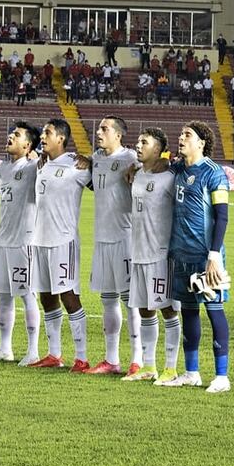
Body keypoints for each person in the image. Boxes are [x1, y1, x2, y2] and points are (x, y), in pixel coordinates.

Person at [157, 122, 232, 393]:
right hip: (181, 253)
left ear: (201, 143)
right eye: (180, 134)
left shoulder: (214, 173)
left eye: (187, 135)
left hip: (205, 256)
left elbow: (222, 216)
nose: (181, 138)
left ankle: (222, 376)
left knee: (214, 310)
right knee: (189, 311)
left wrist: (214, 255)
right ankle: (192, 373)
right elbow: (156, 163)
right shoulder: (177, 168)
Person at [28, 119, 92, 370]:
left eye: (48, 133)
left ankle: (82, 357)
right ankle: (54, 354)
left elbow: (101, 181)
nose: (43, 136)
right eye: (43, 132)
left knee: (68, 295)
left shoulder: (77, 165)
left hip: (63, 240)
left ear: (61, 138)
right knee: (46, 296)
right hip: (40, 240)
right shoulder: (41, 164)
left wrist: (92, 161)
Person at [122, 128, 182, 383]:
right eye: (138, 141)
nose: (138, 145)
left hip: (161, 255)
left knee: (167, 309)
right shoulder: (136, 174)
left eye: (144, 142)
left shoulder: (170, 177)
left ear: (157, 150)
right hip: (137, 253)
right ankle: (149, 366)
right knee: (145, 309)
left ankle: (171, 368)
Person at [86, 117, 142, 376]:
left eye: (104, 129)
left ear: (118, 135)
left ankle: (138, 359)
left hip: (124, 238)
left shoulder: (131, 157)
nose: (99, 132)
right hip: (102, 239)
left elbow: (154, 167)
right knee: (107, 300)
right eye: (99, 128)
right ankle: (111, 359)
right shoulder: (96, 158)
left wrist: (139, 170)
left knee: (131, 302)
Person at [0, 122, 42, 365]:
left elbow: (51, 162)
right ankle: (5, 348)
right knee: (4, 295)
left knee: (27, 294)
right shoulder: (3, 169)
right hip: (3, 240)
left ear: (28, 145)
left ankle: (33, 352)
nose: (11, 136)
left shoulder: (33, 167)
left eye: (17, 135)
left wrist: (39, 156)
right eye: (11, 133)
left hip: (24, 240)